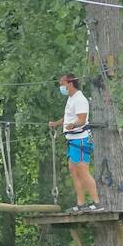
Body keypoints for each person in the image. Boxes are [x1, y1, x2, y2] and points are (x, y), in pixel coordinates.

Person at [46, 73, 102, 212]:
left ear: (70, 84)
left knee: (83, 171)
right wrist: (56, 123)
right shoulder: (71, 99)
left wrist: (74, 125)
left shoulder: (80, 99)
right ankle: (80, 203)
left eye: (62, 84)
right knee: (74, 171)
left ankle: (97, 203)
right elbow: (68, 116)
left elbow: (81, 120)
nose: (61, 87)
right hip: (72, 141)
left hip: (81, 140)